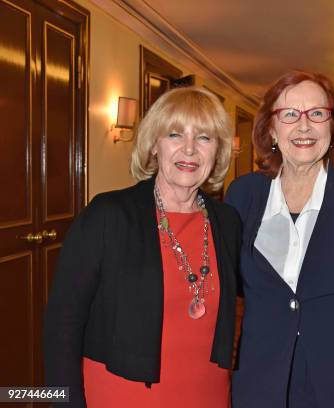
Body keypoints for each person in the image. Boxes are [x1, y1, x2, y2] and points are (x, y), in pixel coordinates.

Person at [44, 86, 241, 407]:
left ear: (218, 152)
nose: (189, 149)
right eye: (175, 134)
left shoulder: (227, 222)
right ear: (153, 147)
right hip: (122, 392)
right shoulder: (108, 215)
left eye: (204, 138)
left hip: (207, 391)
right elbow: (62, 323)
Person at [225, 70, 334, 407]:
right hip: (260, 383)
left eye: (317, 114)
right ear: (271, 128)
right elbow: (227, 282)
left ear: (333, 126)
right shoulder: (243, 194)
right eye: (289, 115)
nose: (304, 126)